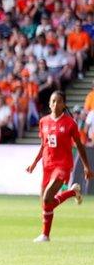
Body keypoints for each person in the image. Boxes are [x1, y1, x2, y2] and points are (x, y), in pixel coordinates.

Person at [26, 91, 92, 242]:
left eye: (59, 101)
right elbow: (43, 145)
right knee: (45, 202)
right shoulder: (43, 121)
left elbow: (80, 146)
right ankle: (72, 193)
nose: (56, 104)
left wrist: (86, 166)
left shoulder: (70, 123)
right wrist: (34, 163)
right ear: (49, 104)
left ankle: (44, 235)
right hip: (47, 164)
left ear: (64, 104)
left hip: (63, 165)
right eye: (53, 101)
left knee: (48, 195)